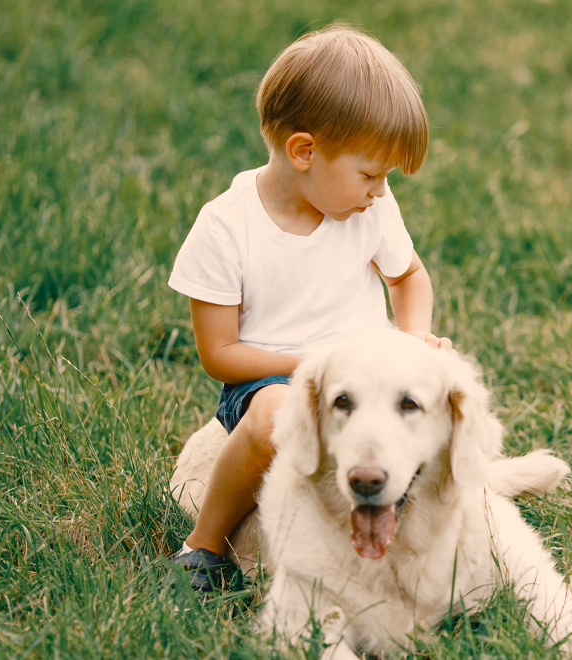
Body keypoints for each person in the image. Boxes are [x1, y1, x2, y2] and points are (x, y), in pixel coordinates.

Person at [167, 25, 450, 593]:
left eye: (384, 178)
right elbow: (220, 354)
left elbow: (409, 277)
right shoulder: (226, 228)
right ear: (304, 152)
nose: (379, 190)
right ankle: (205, 546)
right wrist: (313, 367)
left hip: (367, 373)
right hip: (273, 381)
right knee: (274, 416)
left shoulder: (369, 207)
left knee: (445, 399)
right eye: (369, 174)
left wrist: (415, 337)